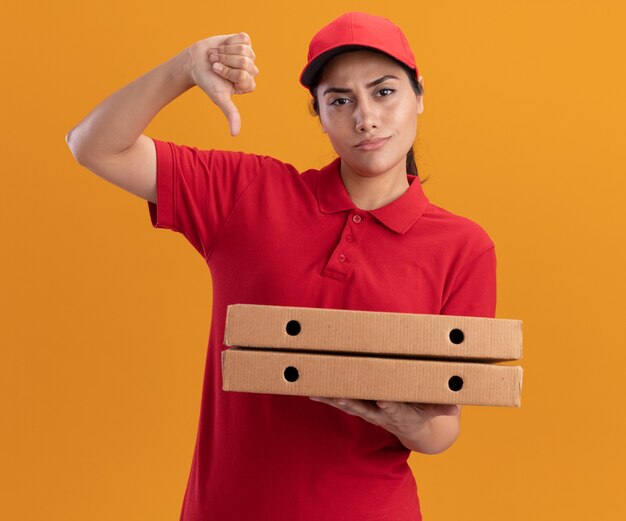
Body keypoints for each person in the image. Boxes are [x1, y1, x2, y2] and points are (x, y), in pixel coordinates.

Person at [66, 11, 496, 521]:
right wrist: (186, 66)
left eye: (384, 92)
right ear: (317, 112)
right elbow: (93, 145)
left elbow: (444, 428)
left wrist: (399, 415)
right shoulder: (248, 195)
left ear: (418, 95)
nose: (365, 117)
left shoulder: (464, 247)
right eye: (339, 100)